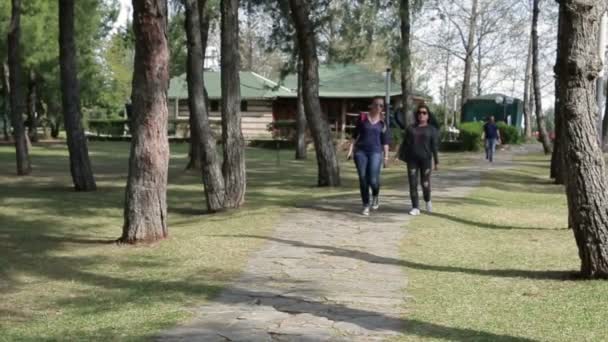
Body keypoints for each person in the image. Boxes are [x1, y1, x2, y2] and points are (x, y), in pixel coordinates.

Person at [347, 97, 391, 216]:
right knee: (362, 178)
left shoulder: (383, 123)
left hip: (375, 152)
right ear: (371, 105)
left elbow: (385, 142)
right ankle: (365, 205)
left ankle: (375, 195)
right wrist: (350, 151)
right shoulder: (362, 118)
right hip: (360, 152)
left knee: (372, 179)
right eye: (376, 104)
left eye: (381, 105)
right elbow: (354, 136)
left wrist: (386, 158)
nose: (378, 107)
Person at [397, 104, 439, 216]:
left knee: (425, 184)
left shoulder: (432, 130)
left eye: (424, 113)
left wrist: (436, 161)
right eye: (419, 112)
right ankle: (415, 207)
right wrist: (399, 156)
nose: (421, 114)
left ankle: (427, 199)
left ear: (428, 115)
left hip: (426, 160)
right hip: (412, 160)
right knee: (412, 183)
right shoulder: (411, 128)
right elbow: (405, 144)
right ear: (417, 115)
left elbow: (434, 146)